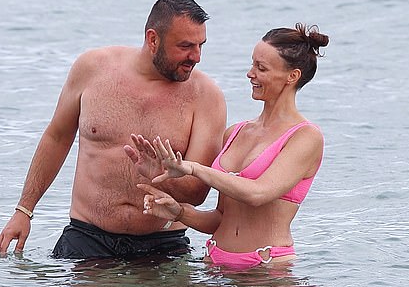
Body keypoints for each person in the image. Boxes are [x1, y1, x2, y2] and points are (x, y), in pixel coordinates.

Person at [0, 0, 227, 259]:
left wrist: (161, 175)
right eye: (185, 46)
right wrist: (24, 211)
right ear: (153, 39)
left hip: (164, 244)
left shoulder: (206, 97)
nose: (196, 57)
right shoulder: (93, 69)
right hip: (86, 237)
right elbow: (56, 138)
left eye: (200, 45)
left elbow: (197, 194)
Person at [131, 23, 329, 269]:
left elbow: (257, 193)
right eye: (252, 64)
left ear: (292, 76)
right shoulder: (234, 133)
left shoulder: (305, 137)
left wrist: (193, 168)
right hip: (215, 265)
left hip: (266, 269)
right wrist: (179, 212)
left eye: (261, 68)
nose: (250, 73)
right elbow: (221, 219)